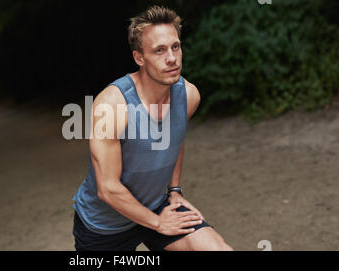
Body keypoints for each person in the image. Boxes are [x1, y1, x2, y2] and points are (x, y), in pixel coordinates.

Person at [72, 5, 233, 251]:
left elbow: (175, 140)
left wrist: (175, 189)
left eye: (175, 47)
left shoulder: (188, 95)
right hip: (105, 226)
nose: (171, 58)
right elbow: (108, 189)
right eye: (159, 50)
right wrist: (158, 223)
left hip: (158, 207)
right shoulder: (112, 105)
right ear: (139, 57)